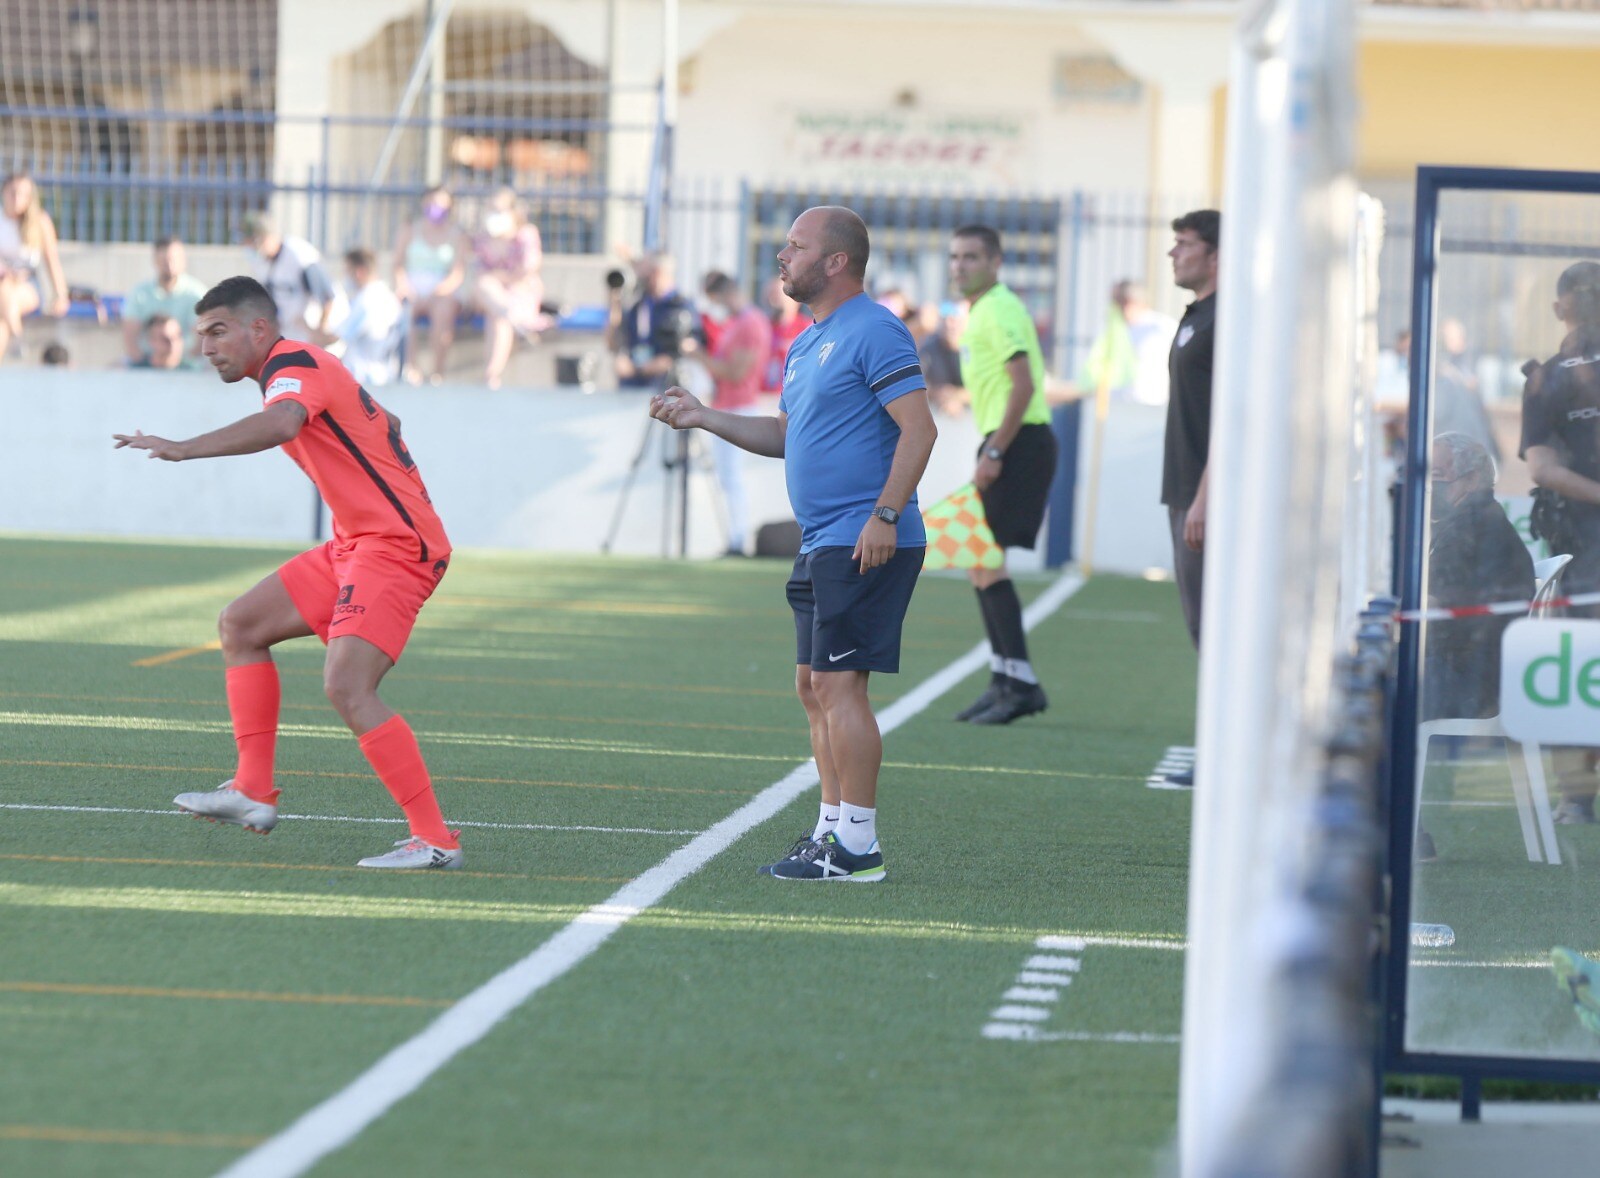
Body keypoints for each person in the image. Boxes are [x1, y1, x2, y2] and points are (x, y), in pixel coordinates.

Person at [112, 276, 460, 869]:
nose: (207, 347)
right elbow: (388, 419)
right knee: (241, 625)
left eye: (217, 331)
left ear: (259, 328)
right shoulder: (303, 366)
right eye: (201, 334)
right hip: (356, 544)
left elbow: (283, 424)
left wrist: (184, 447)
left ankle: (435, 841)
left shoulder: (292, 363)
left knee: (347, 686)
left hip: (395, 545)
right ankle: (252, 790)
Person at [650, 206, 937, 881]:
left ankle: (859, 847)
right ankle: (830, 829)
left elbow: (919, 430)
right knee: (813, 687)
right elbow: (787, 436)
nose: (781, 258)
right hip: (821, 540)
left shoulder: (875, 329)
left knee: (840, 686)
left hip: (865, 537)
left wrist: (886, 517)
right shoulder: (808, 342)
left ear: (836, 262)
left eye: (795, 247)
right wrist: (702, 417)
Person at [944, 226, 1056, 725]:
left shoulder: (1000, 308)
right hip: (1004, 440)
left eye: (970, 257)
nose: (959, 266)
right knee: (978, 560)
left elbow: (1024, 383)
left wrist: (994, 450)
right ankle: (1004, 678)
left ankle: (1020, 684)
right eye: (954, 257)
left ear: (995, 262)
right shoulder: (979, 312)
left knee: (986, 561)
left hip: (1018, 442)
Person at [1519, 259, 1600, 825]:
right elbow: (1543, 468)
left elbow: (1543, 468)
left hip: (1585, 542)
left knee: (1583, 667)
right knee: (1583, 666)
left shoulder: (1545, 376)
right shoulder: (1546, 377)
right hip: (1585, 544)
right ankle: (1578, 797)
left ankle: (1577, 799)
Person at [1159, 209, 1220, 787]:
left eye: (1184, 244)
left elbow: (1232, 415)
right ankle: (1223, 746)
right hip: (1184, 490)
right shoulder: (1195, 315)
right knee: (1202, 626)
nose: (1173, 254)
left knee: (1216, 626)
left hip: (1206, 496)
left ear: (1216, 254)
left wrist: (1205, 496)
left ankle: (1226, 751)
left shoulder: (1226, 319)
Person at [695, 270, 773, 556]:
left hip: (739, 405)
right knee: (728, 478)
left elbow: (737, 372)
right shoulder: (738, 322)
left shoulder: (750, 323)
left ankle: (738, 540)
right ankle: (735, 537)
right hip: (729, 404)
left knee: (733, 478)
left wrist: (697, 355)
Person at [472, 187, 549, 390]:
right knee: (488, 290)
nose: (494, 215)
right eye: (491, 209)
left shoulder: (526, 234)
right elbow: (479, 275)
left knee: (499, 318)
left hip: (519, 296)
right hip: (493, 298)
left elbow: (529, 268)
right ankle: (515, 322)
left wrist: (501, 278)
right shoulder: (483, 239)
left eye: (499, 210)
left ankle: (491, 377)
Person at [392, 185, 469, 385]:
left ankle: (437, 371)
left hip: (443, 290)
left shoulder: (457, 234)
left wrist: (439, 291)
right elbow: (398, 264)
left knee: (443, 313)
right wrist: (404, 286)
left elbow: (458, 272)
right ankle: (411, 368)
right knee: (406, 313)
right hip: (413, 286)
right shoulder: (410, 229)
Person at [0, 171, 69, 364]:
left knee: (6, 299)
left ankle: (16, 339)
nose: (16, 198)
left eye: (22, 194)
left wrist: (61, 295)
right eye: (12, 192)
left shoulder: (39, 222)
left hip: (27, 285)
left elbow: (52, 261)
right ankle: (17, 337)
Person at [241, 210, 339, 343]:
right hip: (292, 333)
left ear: (267, 237)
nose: (251, 247)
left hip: (320, 333)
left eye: (253, 242)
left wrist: (320, 332)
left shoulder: (298, 255)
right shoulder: (261, 261)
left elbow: (327, 296)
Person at [607, 252, 697, 391]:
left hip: (666, 392)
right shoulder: (638, 305)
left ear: (659, 272)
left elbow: (681, 353)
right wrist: (615, 304)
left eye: (647, 272)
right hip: (632, 390)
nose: (643, 277)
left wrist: (637, 369)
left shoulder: (680, 307)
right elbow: (614, 343)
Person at [122, 236, 208, 366]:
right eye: (164, 260)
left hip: (188, 367)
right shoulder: (139, 293)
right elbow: (130, 339)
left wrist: (178, 365)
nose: (168, 264)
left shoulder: (197, 295)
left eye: (173, 259)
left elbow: (200, 341)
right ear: (155, 261)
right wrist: (145, 365)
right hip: (146, 365)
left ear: (183, 260)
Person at [326, 247, 403, 388]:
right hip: (385, 375)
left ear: (359, 271)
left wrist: (306, 337)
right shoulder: (388, 297)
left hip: (365, 378)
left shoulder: (367, 300)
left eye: (347, 270)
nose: (345, 276)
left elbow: (338, 336)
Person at [761, 274, 810, 394]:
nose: (772, 301)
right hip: (763, 396)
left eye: (777, 295)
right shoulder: (763, 327)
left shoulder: (808, 328)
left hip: (792, 398)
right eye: (769, 296)